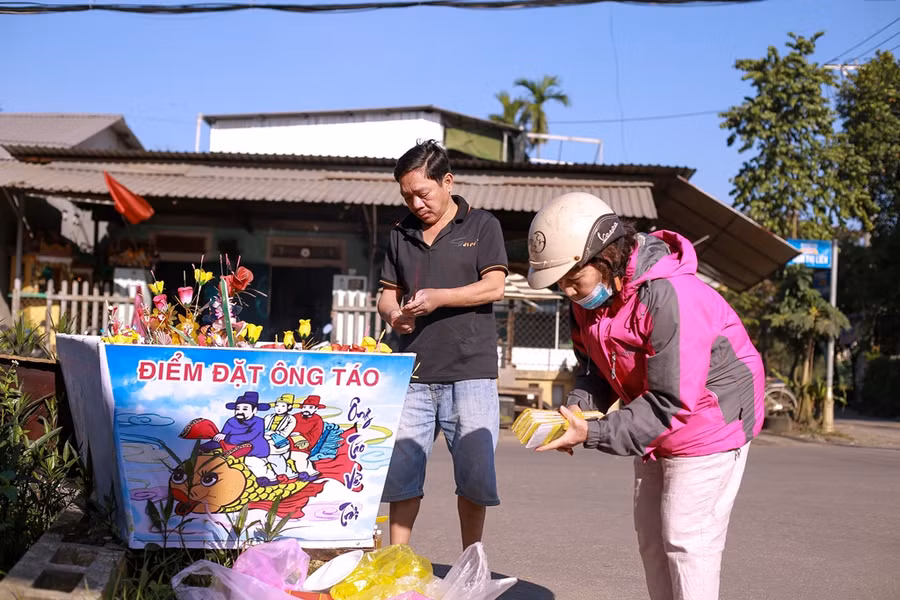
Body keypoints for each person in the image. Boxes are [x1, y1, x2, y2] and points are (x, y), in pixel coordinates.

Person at [526, 192, 765, 600]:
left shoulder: (671, 295)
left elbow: (672, 402)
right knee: (653, 539)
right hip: (655, 418)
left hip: (711, 418)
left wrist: (590, 434)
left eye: (571, 279)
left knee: (686, 538)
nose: (567, 291)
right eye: (558, 284)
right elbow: (593, 368)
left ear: (604, 257)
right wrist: (580, 410)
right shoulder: (588, 299)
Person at [377, 140, 508, 549]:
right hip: (413, 374)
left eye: (423, 193)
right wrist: (394, 315)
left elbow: (495, 286)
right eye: (407, 195)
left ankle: (472, 560)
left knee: (473, 479)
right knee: (401, 477)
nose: (416, 203)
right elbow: (385, 295)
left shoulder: (482, 225)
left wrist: (438, 297)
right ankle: (396, 561)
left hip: (471, 372)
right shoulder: (400, 233)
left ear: (447, 181)